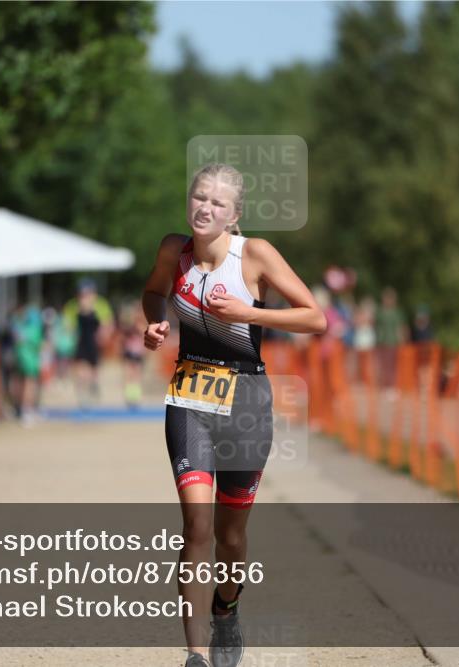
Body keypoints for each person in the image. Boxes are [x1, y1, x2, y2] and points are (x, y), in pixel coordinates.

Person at [141, 163, 326, 667]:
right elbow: (154, 292)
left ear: (235, 215)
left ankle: (228, 608)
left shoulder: (256, 256)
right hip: (190, 397)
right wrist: (157, 322)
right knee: (196, 527)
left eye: (218, 203)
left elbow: (315, 316)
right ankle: (196, 655)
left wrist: (251, 314)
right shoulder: (171, 251)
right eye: (199, 197)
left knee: (231, 535)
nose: (205, 208)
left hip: (246, 402)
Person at [62, 278, 114, 404]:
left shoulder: (100, 304)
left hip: (94, 342)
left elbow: (108, 323)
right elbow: (67, 325)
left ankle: (92, 385)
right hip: (80, 341)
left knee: (93, 369)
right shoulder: (72, 306)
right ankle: (82, 394)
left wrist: (104, 336)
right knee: (80, 369)